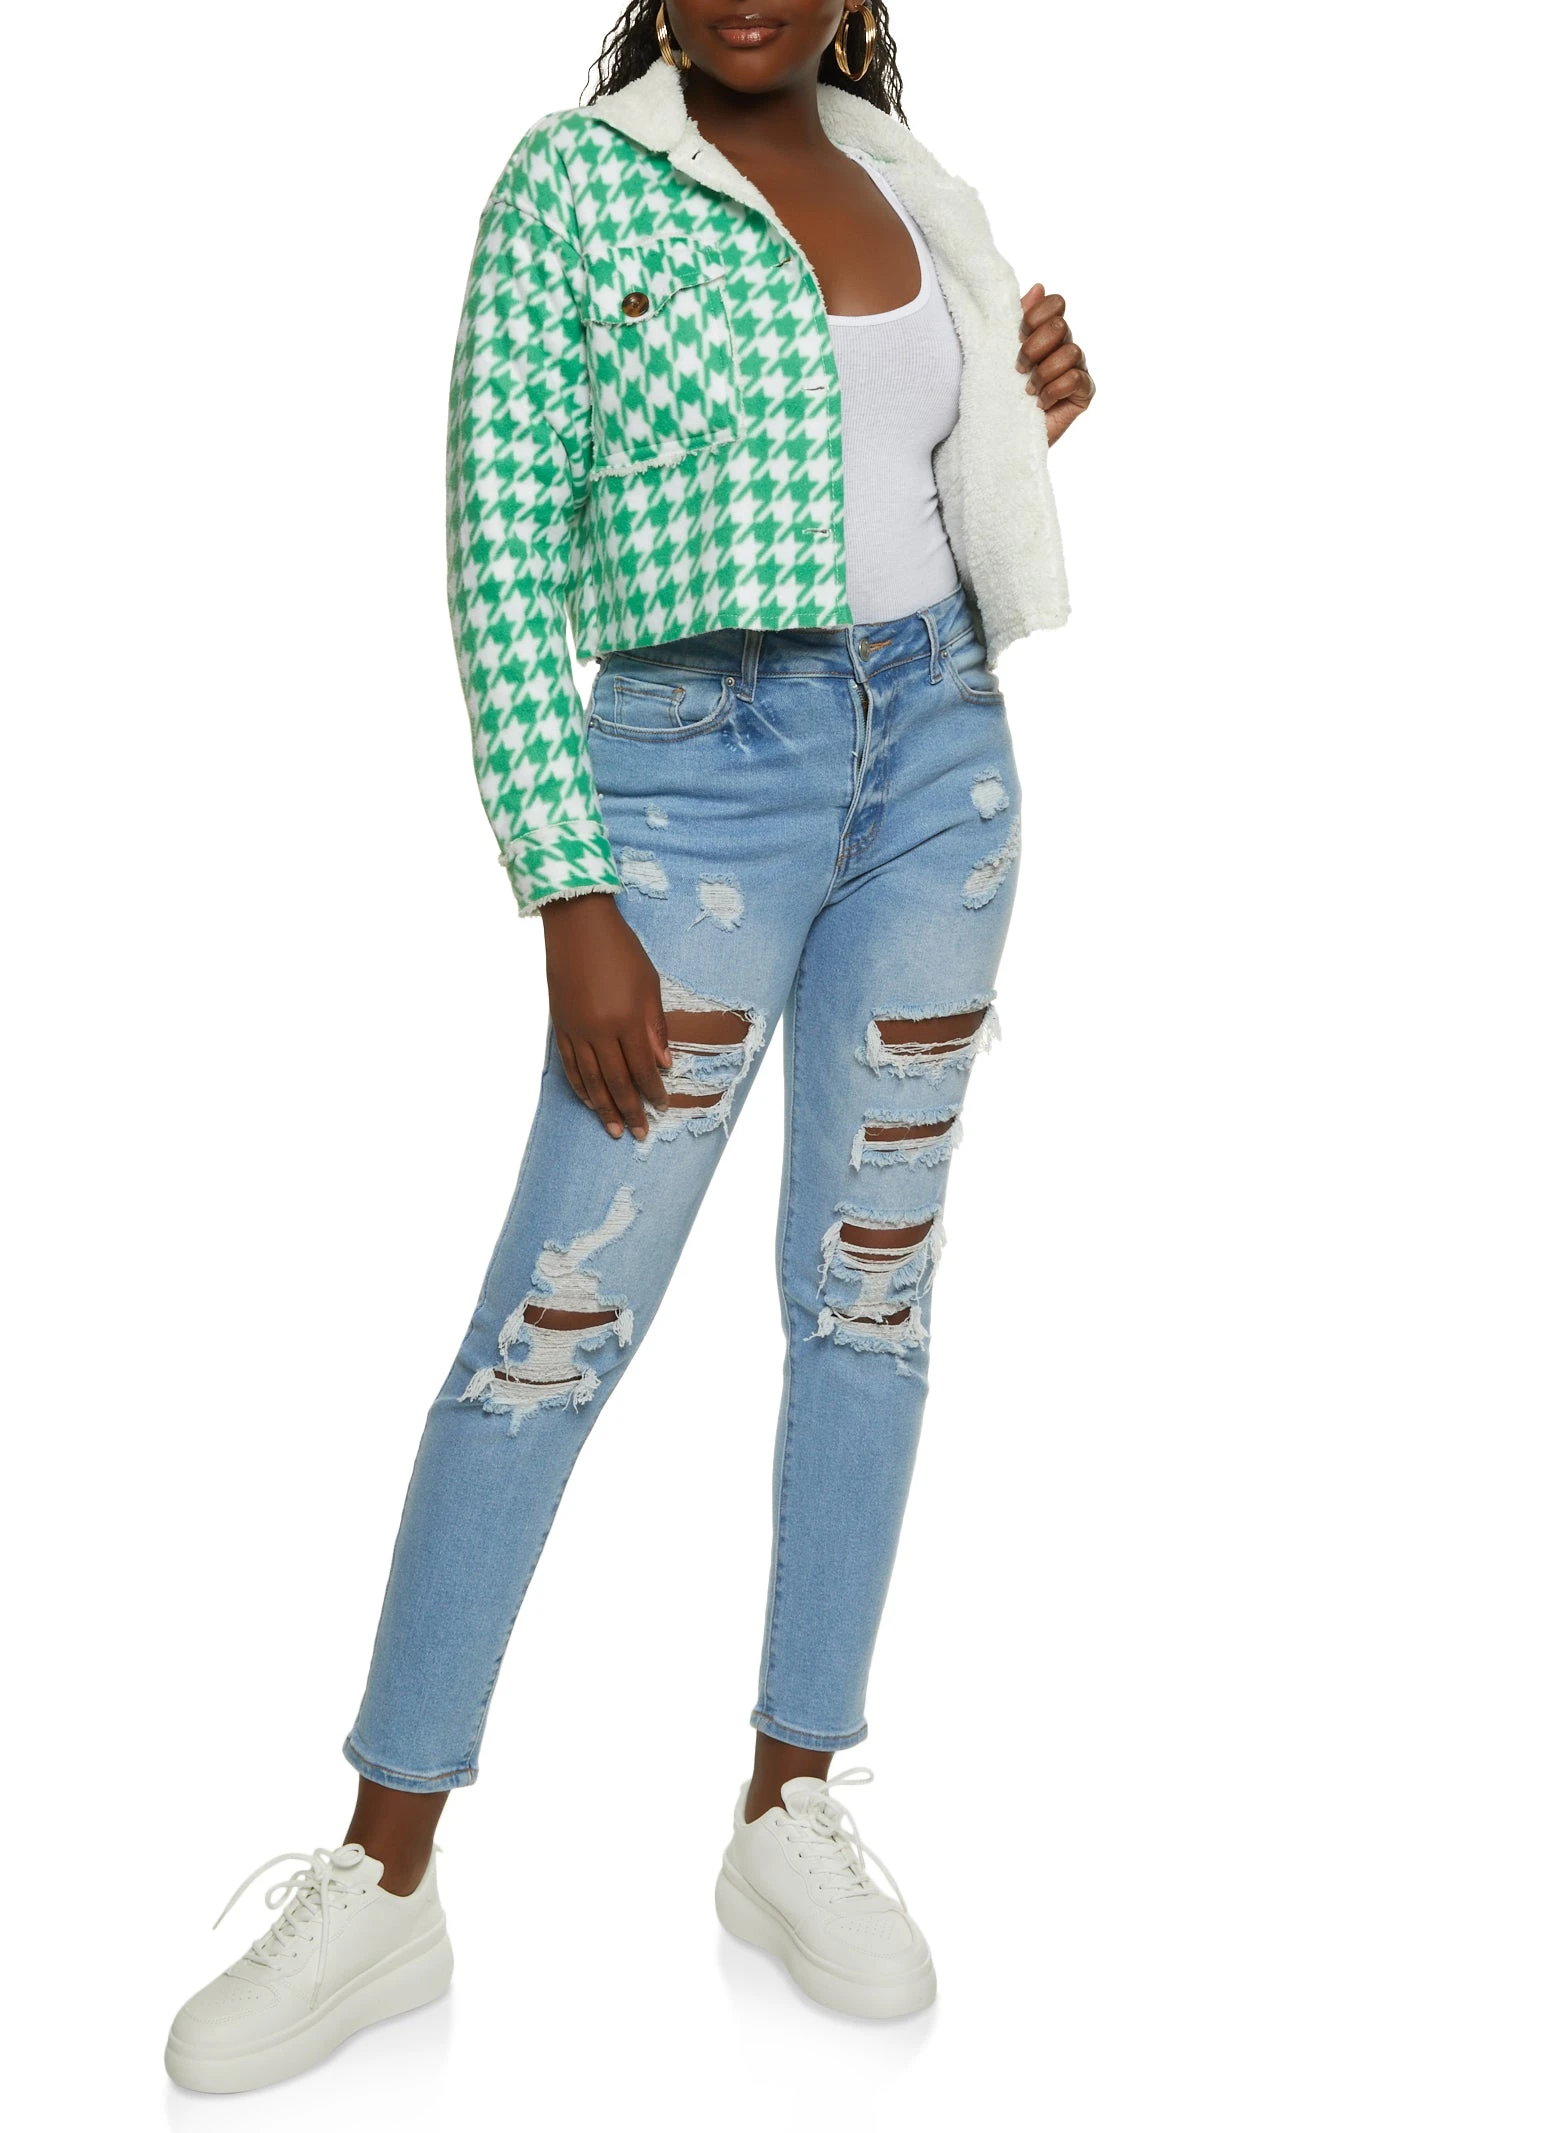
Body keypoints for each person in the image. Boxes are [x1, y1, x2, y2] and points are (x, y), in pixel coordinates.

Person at [164, 0, 1094, 2091]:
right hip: (688, 786)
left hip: (940, 759)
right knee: (555, 1323)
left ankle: (791, 1805)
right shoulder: (573, 185)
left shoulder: (907, 179)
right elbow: (499, 547)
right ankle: (385, 1869)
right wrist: (567, 890)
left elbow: (905, 477)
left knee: (870, 1298)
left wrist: (1032, 400)